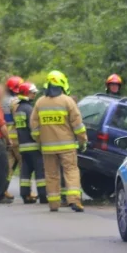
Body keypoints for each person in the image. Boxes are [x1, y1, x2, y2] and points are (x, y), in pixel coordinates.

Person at [30, 71, 88, 212]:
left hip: (47, 148)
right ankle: (74, 201)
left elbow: (34, 127)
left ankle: (54, 204)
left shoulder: (40, 102)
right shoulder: (68, 101)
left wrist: (40, 141)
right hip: (67, 146)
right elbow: (78, 125)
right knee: (71, 171)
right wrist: (83, 140)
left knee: (51, 175)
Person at [12, 82, 47, 204]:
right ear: (26, 93)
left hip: (23, 146)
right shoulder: (29, 109)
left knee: (25, 171)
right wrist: (40, 141)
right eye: (33, 92)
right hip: (33, 146)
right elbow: (33, 128)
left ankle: (25, 195)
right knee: (40, 171)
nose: (34, 94)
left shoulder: (18, 109)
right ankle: (43, 195)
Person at [2, 75, 24, 198]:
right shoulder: (15, 102)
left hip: (5, 135)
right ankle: (26, 192)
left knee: (8, 166)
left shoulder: (2, 101)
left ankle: (3, 190)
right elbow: (19, 119)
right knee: (23, 165)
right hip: (16, 136)